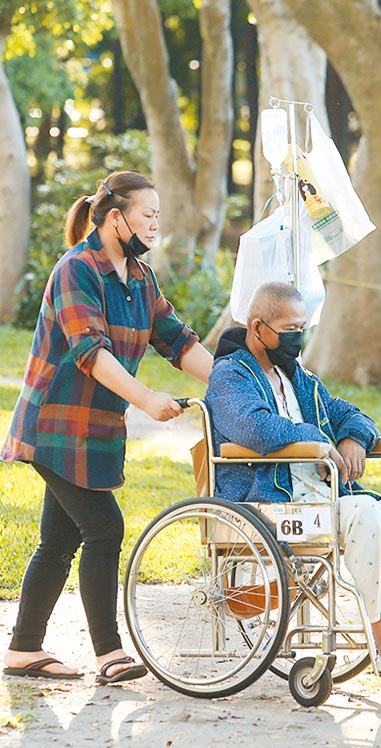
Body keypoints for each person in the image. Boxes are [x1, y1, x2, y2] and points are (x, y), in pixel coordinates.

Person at [205, 281, 381, 675]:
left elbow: (348, 412)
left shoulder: (296, 377)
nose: (297, 339)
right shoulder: (230, 376)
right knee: (363, 510)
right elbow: (255, 428)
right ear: (257, 328)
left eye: (302, 328)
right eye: (288, 331)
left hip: (330, 501)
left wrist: (354, 438)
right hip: (275, 505)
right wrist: (319, 441)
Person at [2, 171, 213, 684]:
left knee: (59, 539)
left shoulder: (140, 277)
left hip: (95, 428)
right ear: (116, 217)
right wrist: (145, 399)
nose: (155, 224)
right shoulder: (77, 270)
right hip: (55, 424)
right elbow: (89, 353)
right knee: (104, 528)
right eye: (148, 214)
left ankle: (24, 651)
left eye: (159, 216)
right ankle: (109, 653)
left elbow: (177, 340)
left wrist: (235, 382)